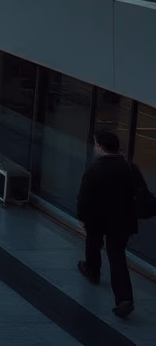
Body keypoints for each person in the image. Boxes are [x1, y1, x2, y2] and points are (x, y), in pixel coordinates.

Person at [76, 129, 141, 318]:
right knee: (117, 256)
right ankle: (124, 299)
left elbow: (84, 197)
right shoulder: (129, 167)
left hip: (97, 218)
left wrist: (81, 217)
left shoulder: (94, 169)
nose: (94, 148)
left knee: (93, 243)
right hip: (122, 219)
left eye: (96, 144)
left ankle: (92, 270)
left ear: (102, 148)